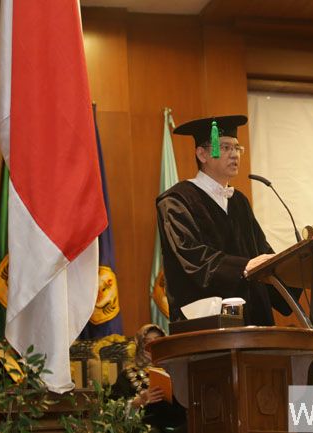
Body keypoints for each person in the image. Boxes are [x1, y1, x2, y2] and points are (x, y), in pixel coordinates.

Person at [156, 115, 298, 326]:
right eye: (225, 148)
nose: (234, 154)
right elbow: (191, 256)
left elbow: (261, 251)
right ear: (202, 154)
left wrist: (296, 271)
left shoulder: (239, 201)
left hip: (252, 320)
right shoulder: (177, 200)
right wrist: (243, 266)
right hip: (206, 320)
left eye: (237, 148)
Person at [110, 324, 186, 432]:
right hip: (146, 427)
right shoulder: (127, 374)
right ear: (140, 345)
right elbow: (115, 411)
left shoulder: (175, 367)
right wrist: (139, 401)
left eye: (157, 340)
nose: (153, 345)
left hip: (181, 425)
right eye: (147, 342)